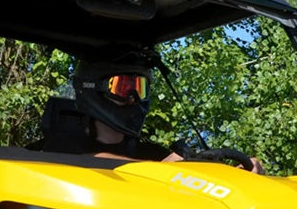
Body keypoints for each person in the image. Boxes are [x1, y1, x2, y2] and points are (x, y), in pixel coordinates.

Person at [72, 46, 264, 173]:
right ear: (94, 89)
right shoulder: (60, 145)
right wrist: (162, 171)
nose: (133, 97)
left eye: (140, 89)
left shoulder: (151, 154)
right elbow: (89, 161)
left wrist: (235, 173)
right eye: (122, 87)